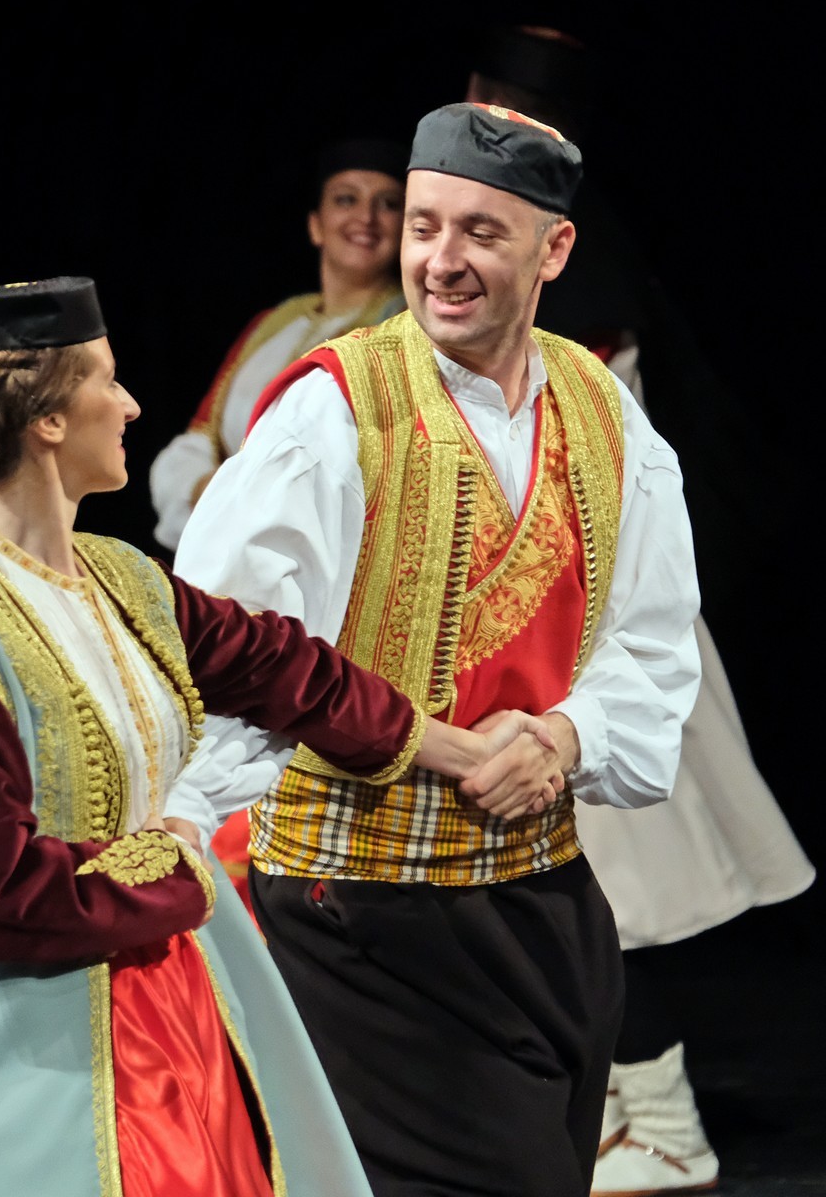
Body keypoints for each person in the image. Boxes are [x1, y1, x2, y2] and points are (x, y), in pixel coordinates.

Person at [0, 277, 560, 1197]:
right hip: (42, 1062)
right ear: (47, 419)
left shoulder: (122, 580)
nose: (130, 404)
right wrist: (180, 861)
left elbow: (286, 669)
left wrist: (462, 751)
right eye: (106, 380)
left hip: (173, 1016)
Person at [174, 103, 702, 1196]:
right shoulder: (333, 412)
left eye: (479, 232)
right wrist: (184, 828)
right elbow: (229, 644)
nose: (440, 260)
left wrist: (566, 734)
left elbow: (650, 641)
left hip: (543, 900)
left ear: (555, 248)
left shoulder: (604, 413)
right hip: (358, 912)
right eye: (424, 227)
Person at [468, 27, 814, 1196]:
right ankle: (610, 1113)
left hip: (584, 616)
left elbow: (586, 454)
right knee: (551, 889)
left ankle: (662, 1122)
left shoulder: (579, 277)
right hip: (537, 612)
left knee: (605, 884)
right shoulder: (526, 255)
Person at [148, 137, 407, 552]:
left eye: (389, 204)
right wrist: (210, 493)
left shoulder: (403, 329)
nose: (366, 217)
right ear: (315, 225)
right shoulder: (274, 323)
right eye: (346, 199)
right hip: (222, 541)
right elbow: (202, 434)